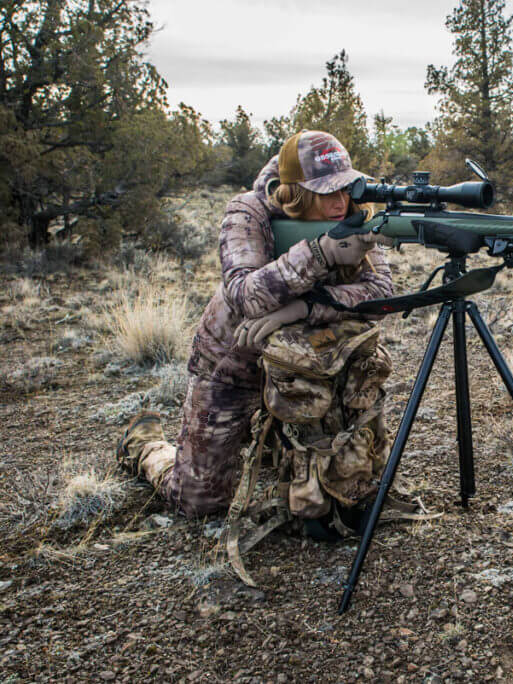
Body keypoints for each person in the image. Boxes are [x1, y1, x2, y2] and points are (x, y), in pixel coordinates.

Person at [116, 130, 392, 517]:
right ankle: (144, 444)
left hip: (306, 370)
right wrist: (321, 254)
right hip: (232, 366)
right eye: (326, 191)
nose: (340, 201)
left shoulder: (355, 217)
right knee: (197, 502)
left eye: (344, 189)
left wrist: (305, 309)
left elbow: (380, 291)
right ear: (296, 192)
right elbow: (244, 294)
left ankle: (276, 451)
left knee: (343, 493)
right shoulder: (248, 211)